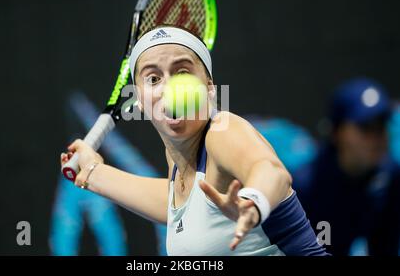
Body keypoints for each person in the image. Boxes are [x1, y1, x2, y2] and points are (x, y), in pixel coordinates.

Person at [61, 26, 328, 256]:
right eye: (153, 78)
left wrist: (254, 202)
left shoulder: (222, 131)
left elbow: (271, 171)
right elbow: (174, 205)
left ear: (210, 89)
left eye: (183, 73)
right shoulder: (179, 163)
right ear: (139, 100)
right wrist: (93, 172)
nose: (169, 88)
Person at [293, 78, 400, 255]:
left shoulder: (390, 174)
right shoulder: (307, 188)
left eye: (381, 125)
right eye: (366, 127)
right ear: (336, 133)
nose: (377, 137)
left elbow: (385, 246)